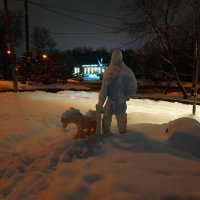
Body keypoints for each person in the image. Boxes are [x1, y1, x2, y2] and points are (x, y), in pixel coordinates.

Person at [96, 49, 138, 134]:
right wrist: (100, 103)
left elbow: (133, 88)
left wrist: (125, 98)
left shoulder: (127, 72)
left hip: (120, 102)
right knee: (106, 120)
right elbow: (104, 89)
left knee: (121, 122)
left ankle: (122, 138)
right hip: (110, 101)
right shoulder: (108, 72)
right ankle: (106, 137)